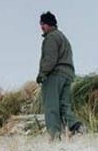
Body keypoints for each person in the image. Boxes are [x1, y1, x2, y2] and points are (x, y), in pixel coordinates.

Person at [36, 11, 84, 140]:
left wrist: (42, 74)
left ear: (50, 24)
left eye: (43, 23)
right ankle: (76, 126)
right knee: (64, 104)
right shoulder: (63, 37)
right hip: (68, 75)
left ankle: (54, 136)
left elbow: (50, 59)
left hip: (54, 75)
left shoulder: (51, 37)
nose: (41, 26)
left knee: (51, 106)